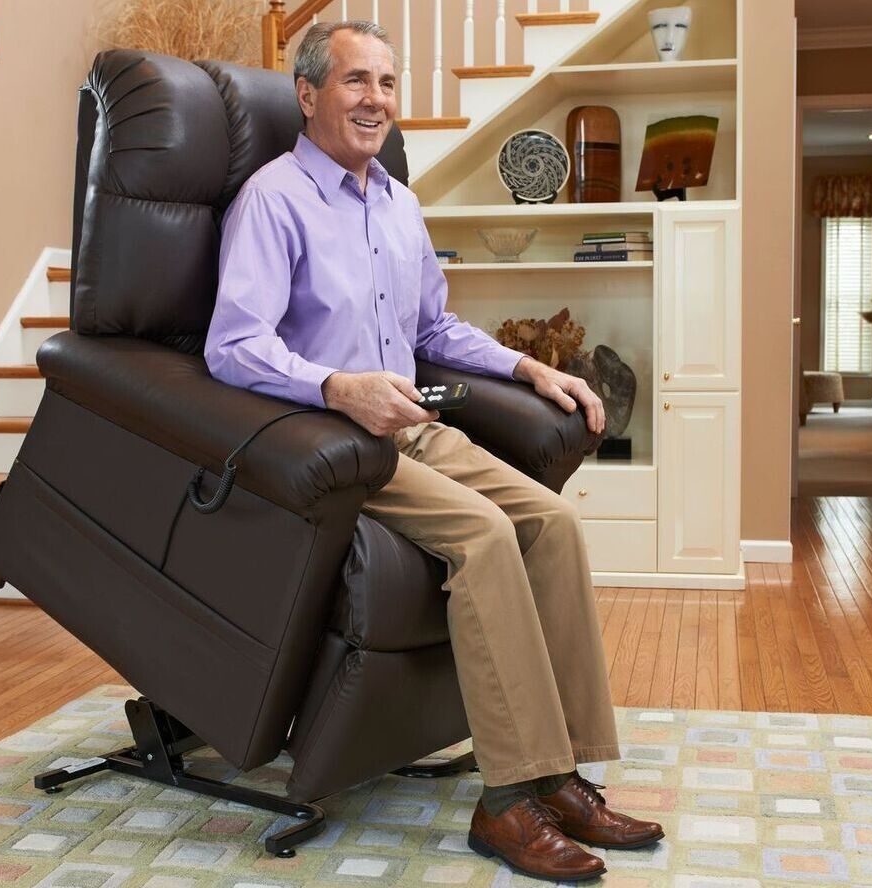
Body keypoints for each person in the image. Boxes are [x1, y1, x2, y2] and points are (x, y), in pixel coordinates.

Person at [205, 20, 663, 881]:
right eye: (354, 82)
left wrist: (533, 367)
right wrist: (339, 387)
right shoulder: (273, 198)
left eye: (385, 81)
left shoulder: (398, 202)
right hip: (335, 440)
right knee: (487, 536)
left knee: (553, 524)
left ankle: (563, 774)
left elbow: (433, 328)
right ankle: (506, 804)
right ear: (308, 95)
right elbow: (232, 345)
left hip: (416, 424)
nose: (376, 99)